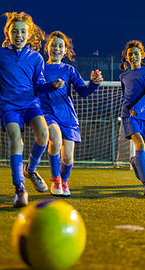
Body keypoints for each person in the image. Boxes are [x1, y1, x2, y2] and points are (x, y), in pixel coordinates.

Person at [0, 12, 65, 207]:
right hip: (9, 107)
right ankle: (20, 189)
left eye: (23, 31)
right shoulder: (0, 54)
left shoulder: (36, 58)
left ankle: (30, 170)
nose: (19, 35)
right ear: (7, 33)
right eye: (14, 31)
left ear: (29, 34)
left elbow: (39, 85)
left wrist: (52, 86)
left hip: (31, 104)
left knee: (43, 135)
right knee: (17, 141)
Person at [39, 31, 103, 196]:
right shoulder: (40, 68)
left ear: (66, 50)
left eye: (61, 46)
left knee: (67, 158)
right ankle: (55, 180)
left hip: (67, 116)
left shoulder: (69, 70)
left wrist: (94, 84)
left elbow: (83, 91)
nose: (57, 48)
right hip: (47, 113)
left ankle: (64, 179)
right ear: (47, 47)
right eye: (53, 45)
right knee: (55, 139)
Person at [119, 40, 145, 196]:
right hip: (129, 115)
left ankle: (135, 161)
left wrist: (139, 108)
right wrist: (131, 110)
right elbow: (125, 95)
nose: (133, 56)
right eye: (130, 54)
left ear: (142, 55)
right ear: (126, 58)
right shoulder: (123, 75)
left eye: (136, 53)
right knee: (139, 144)